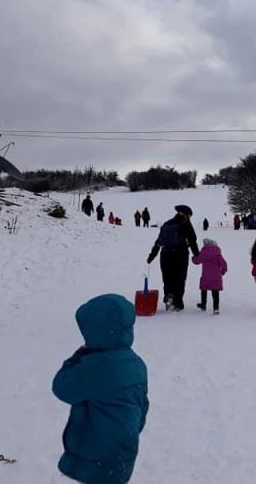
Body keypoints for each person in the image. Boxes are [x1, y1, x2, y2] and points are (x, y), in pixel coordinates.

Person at [52, 294, 148, 484]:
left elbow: (62, 387)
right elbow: (142, 404)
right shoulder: (135, 362)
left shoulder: (95, 365)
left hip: (98, 450)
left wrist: (79, 355)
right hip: (124, 446)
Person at [146, 204, 199, 311]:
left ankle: (169, 296)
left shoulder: (167, 224)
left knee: (167, 278)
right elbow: (192, 240)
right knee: (180, 278)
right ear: (186, 215)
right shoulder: (186, 224)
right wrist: (197, 255)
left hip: (165, 254)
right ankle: (178, 302)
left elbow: (158, 242)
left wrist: (151, 256)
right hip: (180, 254)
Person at [192, 237, 228, 314]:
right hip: (216, 276)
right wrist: (223, 271)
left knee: (203, 289)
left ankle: (203, 304)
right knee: (215, 292)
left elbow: (196, 261)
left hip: (206, 276)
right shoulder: (218, 254)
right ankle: (216, 308)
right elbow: (224, 264)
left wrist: (193, 258)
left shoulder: (203, 253)